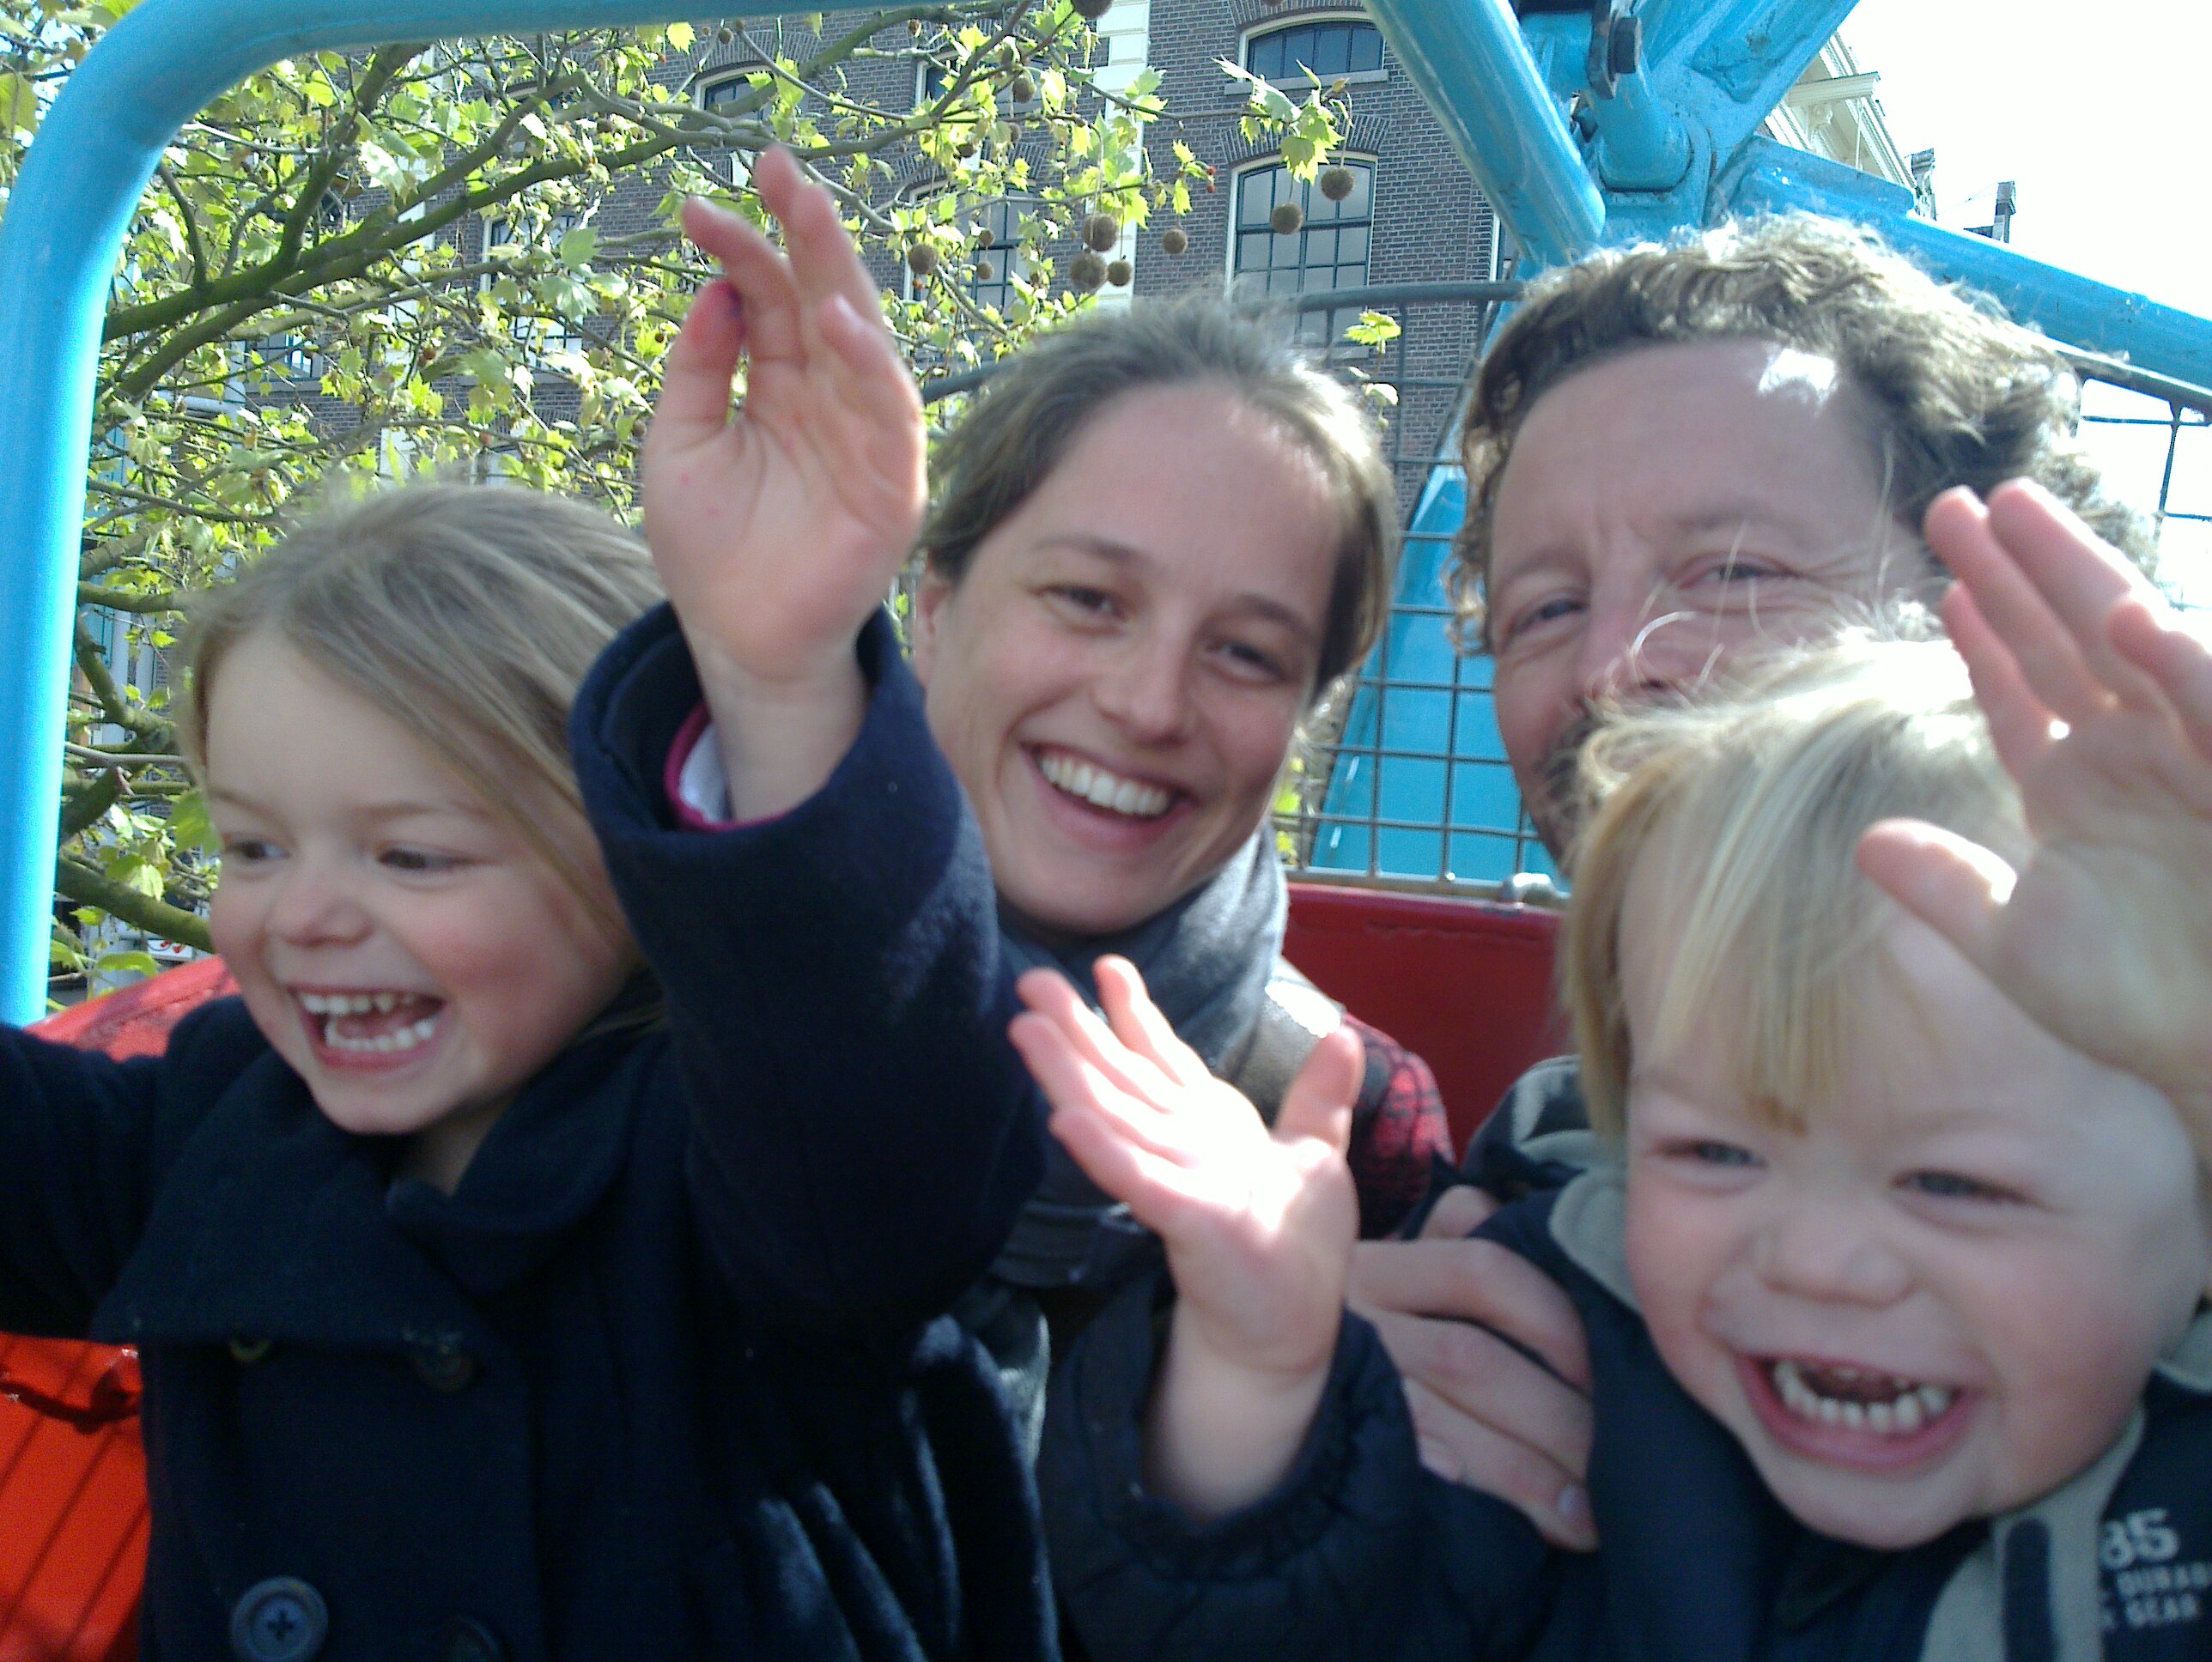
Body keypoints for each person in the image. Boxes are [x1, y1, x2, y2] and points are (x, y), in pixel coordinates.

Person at [0, 199, 1059, 1662]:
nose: (302, 913)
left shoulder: (744, 1169)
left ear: (634, 860)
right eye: (251, 846)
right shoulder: (217, 1124)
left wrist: (780, 684)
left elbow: (873, 1080)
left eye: (411, 855)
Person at [1021, 480, 2212, 1659]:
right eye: (1714, 1151)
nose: (1814, 1259)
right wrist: (1257, 1382)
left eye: (1957, 1184)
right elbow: (1291, 1616)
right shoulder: (1577, 1340)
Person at [1345, 213, 2158, 1550]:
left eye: (1733, 573)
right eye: (1547, 608)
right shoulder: (1543, 1170)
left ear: (2001, 616)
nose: (1613, 669)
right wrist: (1309, 1434)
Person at [657, 226, 1452, 1428]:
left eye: (1247, 653)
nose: (1149, 704)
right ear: (935, 610)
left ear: (1303, 720)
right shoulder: (642, 1006)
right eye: (1087, 599)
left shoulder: (1353, 1130)